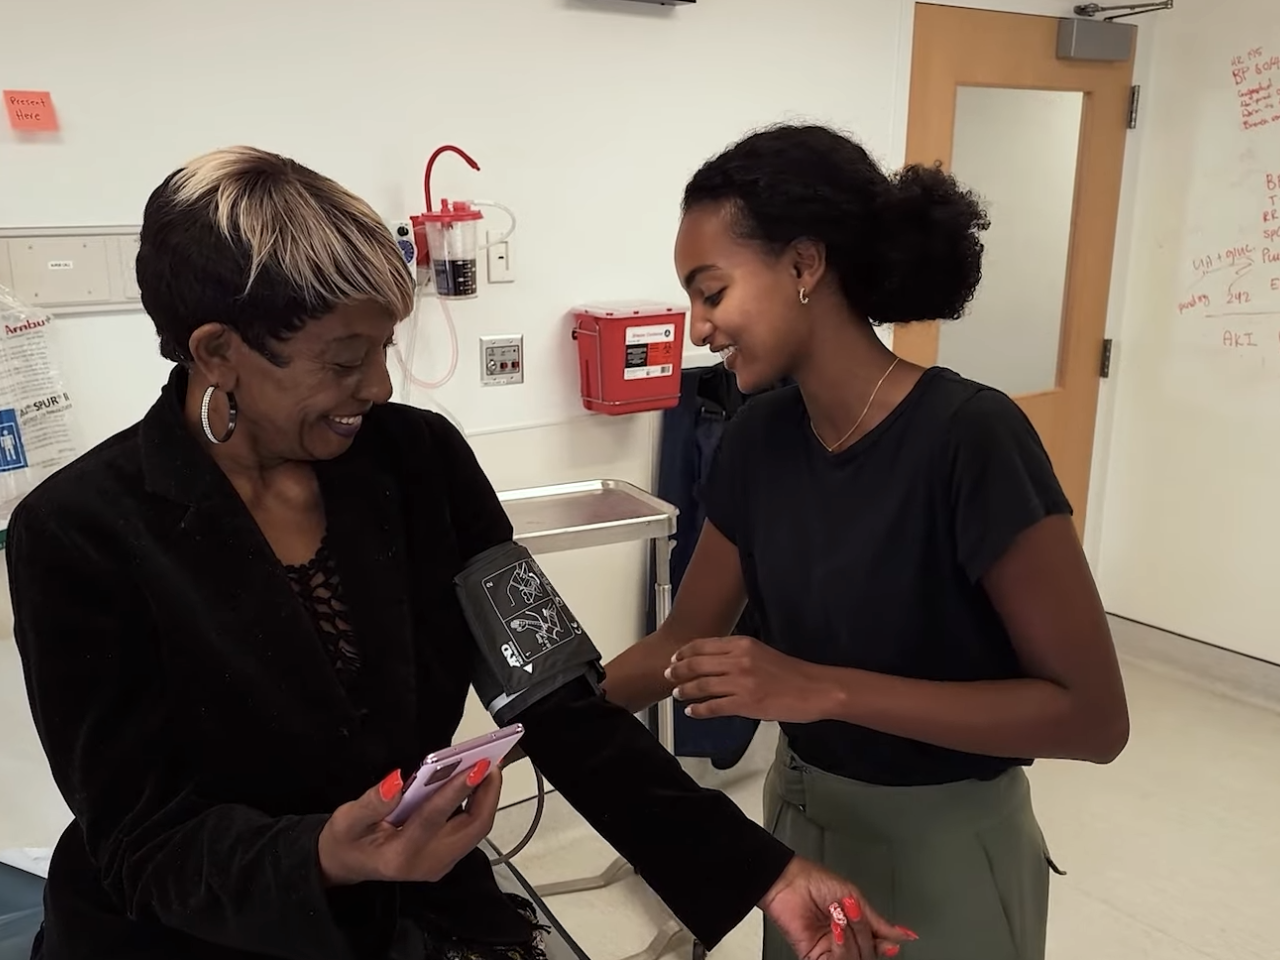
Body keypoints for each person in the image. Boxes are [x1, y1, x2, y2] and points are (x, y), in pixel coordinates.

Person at [6, 147, 911, 960]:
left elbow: (560, 699)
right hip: (187, 936)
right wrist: (324, 852)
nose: (378, 384)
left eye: (385, 346)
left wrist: (765, 874)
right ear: (218, 352)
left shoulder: (420, 462)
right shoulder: (81, 532)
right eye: (342, 359)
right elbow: (141, 838)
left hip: (404, 915)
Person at [602, 125, 1131, 960]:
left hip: (947, 848)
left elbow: (1094, 720)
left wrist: (824, 690)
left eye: (711, 292)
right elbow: (683, 641)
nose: (698, 328)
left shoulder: (970, 438)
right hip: (802, 839)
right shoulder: (757, 440)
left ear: (805, 265)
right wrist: (527, 735)